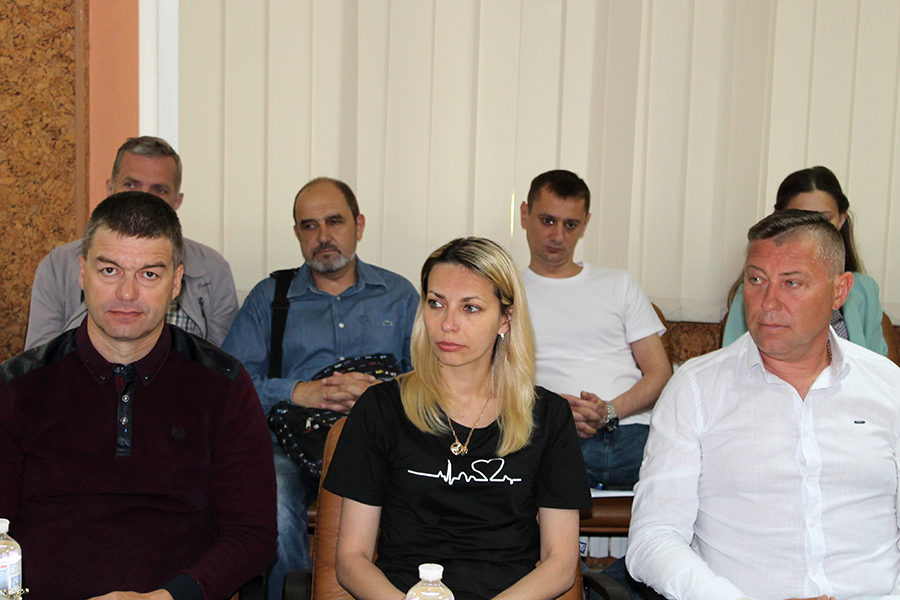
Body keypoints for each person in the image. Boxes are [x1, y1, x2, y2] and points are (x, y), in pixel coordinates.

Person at [0, 192, 277, 600]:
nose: (127, 293)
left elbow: (252, 535)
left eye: (149, 274)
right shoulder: (18, 387)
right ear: (82, 274)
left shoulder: (223, 386)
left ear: (176, 282)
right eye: (110, 270)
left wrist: (168, 598)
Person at [626, 209, 900, 600]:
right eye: (756, 280)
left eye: (792, 283)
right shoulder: (696, 389)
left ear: (839, 291)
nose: (768, 302)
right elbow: (654, 536)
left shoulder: (888, 386)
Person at [323, 237, 591, 600]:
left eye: (471, 308)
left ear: (506, 319)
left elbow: (560, 564)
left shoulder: (548, 416)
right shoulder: (381, 409)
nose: (448, 324)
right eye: (436, 304)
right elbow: (351, 559)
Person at [222, 177, 419, 600]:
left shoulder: (399, 295)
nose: (323, 236)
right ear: (296, 232)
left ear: (358, 225)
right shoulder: (269, 298)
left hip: (380, 442)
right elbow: (228, 386)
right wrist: (299, 392)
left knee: (424, 503)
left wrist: (381, 393)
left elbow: (430, 380)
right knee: (273, 508)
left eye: (335, 221)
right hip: (289, 445)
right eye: (309, 225)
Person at [519, 169, 672, 489]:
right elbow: (490, 381)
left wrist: (610, 412)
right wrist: (551, 412)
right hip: (551, 435)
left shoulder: (618, 284)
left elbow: (660, 373)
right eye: (547, 220)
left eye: (570, 224)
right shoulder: (506, 293)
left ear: (585, 224)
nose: (558, 236)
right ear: (525, 214)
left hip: (633, 432)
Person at [26, 136, 239, 349]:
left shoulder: (213, 269)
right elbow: (40, 361)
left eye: (159, 190)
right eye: (131, 185)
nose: (143, 198)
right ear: (110, 189)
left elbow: (223, 362)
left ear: (177, 200)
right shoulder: (58, 265)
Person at [722, 165, 887, 355]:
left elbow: (877, 364)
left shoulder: (865, 291)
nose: (810, 230)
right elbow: (731, 362)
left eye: (824, 219)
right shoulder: (754, 295)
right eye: (798, 219)